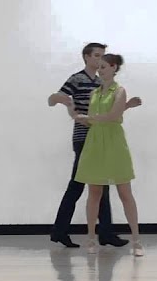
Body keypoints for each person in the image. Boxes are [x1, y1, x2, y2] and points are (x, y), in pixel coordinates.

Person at [47, 43, 141, 248]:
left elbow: (112, 112)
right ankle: (60, 231)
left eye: (103, 57)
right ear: (86, 57)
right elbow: (57, 98)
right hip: (84, 137)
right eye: (97, 56)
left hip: (102, 137)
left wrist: (127, 105)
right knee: (78, 185)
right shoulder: (77, 79)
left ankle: (105, 233)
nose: (100, 61)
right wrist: (62, 102)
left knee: (101, 187)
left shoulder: (103, 83)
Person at [74, 53, 143, 257]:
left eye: (103, 67)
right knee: (94, 193)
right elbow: (96, 118)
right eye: (99, 67)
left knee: (125, 192)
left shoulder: (119, 90)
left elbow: (113, 115)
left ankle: (136, 240)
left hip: (114, 143)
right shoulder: (95, 93)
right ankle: (91, 239)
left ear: (113, 68)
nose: (100, 70)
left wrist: (90, 118)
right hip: (95, 142)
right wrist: (82, 118)